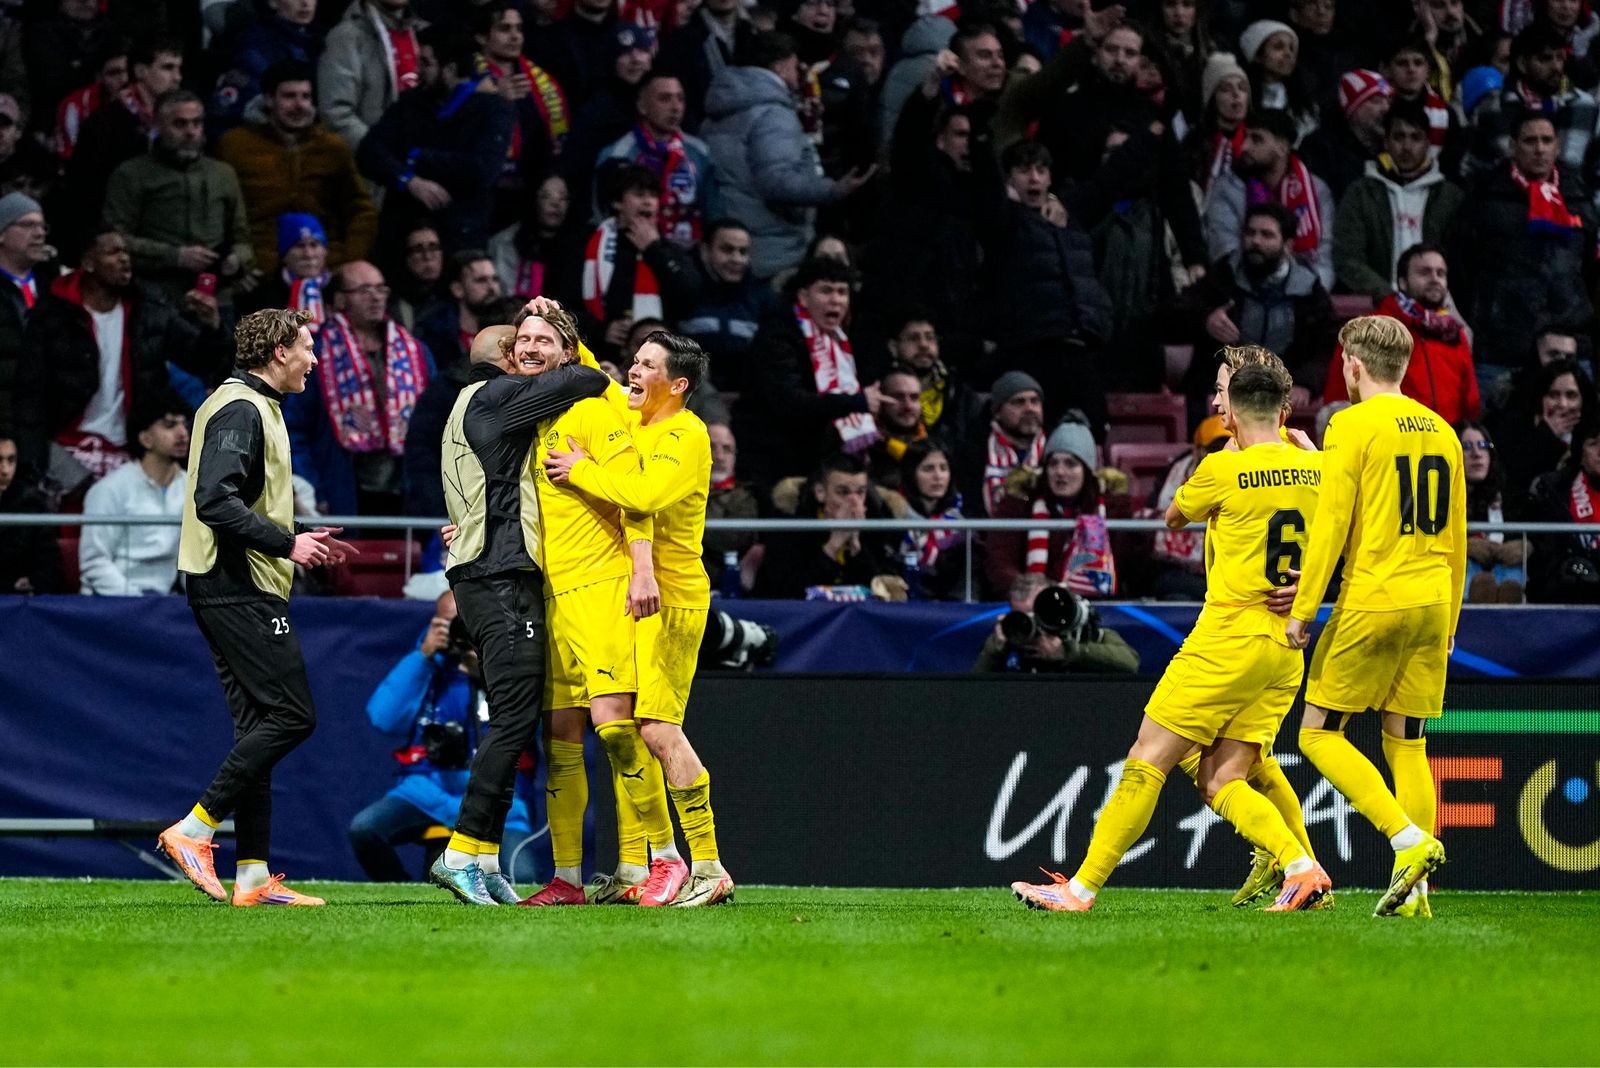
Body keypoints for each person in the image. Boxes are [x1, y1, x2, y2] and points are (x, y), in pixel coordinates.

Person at [1011, 361, 1332, 913]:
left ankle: (1079, 890)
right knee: (1223, 776)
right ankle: (1301, 867)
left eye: (1221, 395)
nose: (1214, 404)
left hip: (1227, 638)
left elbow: (1174, 516)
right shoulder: (1320, 468)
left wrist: (1226, 460)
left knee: (1147, 759)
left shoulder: (1222, 468)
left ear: (1237, 408)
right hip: (1287, 642)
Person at [156, 308, 357, 907]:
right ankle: (194, 829)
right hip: (234, 584)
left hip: (231, 581)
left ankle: (251, 877)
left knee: (258, 728)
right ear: (276, 353)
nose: (314, 359)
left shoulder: (250, 405)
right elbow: (215, 502)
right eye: (307, 347)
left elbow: (235, 500)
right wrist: (286, 543)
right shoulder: (241, 409)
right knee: (292, 717)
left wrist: (298, 537)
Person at [494, 303, 687, 909]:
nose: (530, 348)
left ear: (568, 349)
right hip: (553, 594)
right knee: (561, 739)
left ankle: (662, 861)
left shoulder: (597, 409)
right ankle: (568, 879)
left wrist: (642, 569)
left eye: (543, 340)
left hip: (604, 586)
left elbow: (637, 497)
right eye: (522, 339)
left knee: (618, 729)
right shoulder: (531, 413)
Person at [543, 329, 734, 906]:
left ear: (676, 385)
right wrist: (560, 330)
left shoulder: (686, 433)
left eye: (646, 365)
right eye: (633, 360)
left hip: (675, 595)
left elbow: (645, 494)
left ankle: (707, 866)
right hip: (642, 594)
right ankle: (685, 865)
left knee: (657, 728)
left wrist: (578, 468)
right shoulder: (637, 423)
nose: (632, 370)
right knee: (639, 727)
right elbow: (600, 380)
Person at [425, 321, 608, 905]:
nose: (530, 352)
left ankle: (482, 858)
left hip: (486, 569)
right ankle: (460, 854)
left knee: (514, 714)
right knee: (512, 717)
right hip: (499, 574)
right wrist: (562, 340)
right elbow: (589, 377)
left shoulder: (465, 405)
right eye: (522, 344)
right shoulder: (498, 396)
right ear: (506, 356)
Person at [1286, 315, 1462, 919]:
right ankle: (1416, 897)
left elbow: (1333, 522)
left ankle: (1408, 842)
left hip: (1375, 596)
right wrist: (1453, 624)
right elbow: (1459, 539)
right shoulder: (1444, 430)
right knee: (1406, 741)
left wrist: (1303, 610)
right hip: (1433, 601)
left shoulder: (1349, 424)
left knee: (1317, 732)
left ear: (1353, 366)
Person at [14, 227, 229, 491]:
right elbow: (30, 397)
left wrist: (212, 327)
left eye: (126, 252)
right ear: (89, 263)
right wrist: (35, 460)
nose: (124, 258)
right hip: (67, 447)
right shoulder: (53, 315)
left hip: (134, 446)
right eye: (113, 252)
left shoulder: (149, 308)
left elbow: (202, 360)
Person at [352, 590, 543, 883]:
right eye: (450, 623)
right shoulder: (428, 665)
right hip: (427, 789)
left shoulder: (505, 658)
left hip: (495, 797)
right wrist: (423, 658)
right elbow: (383, 718)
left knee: (525, 877)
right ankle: (403, 890)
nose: (459, 631)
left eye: (467, 621)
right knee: (364, 829)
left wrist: (487, 667)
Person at [700, 32, 874, 282]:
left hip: (729, 241)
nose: (800, 71)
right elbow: (776, 180)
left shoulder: (722, 108)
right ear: (779, 67)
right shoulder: (772, 114)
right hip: (772, 250)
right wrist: (833, 190)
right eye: (794, 65)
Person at [284, 260, 436, 517]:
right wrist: (314, 491)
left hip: (406, 490)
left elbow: (435, 423)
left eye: (381, 289)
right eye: (365, 290)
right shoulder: (315, 354)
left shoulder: (414, 352)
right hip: (341, 489)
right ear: (341, 300)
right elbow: (294, 430)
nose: (376, 297)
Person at [1452, 112, 1595, 377]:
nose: (1539, 149)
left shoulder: (1579, 196)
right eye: (1530, 141)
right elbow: (1461, 270)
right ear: (1512, 146)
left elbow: (1590, 270)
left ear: (1558, 146)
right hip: (1501, 352)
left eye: (1546, 140)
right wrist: (1489, 319)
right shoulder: (1484, 196)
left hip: (1571, 345)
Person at [356, 28, 514, 256]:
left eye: (426, 64)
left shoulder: (493, 110)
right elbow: (369, 151)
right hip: (404, 233)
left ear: (449, 69)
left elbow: (481, 170)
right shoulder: (412, 102)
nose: (417, 71)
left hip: (460, 237)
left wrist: (416, 158)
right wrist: (409, 181)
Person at [216, 60, 378, 278]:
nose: (300, 105)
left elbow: (361, 209)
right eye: (289, 96)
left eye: (305, 96)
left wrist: (346, 258)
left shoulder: (332, 147)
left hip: (324, 268)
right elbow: (219, 213)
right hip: (258, 272)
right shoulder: (235, 146)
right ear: (268, 99)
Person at [733, 255, 882, 491]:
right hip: (772, 462)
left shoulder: (842, 342)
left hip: (813, 460)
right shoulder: (778, 337)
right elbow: (789, 402)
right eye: (826, 291)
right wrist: (856, 402)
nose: (836, 300)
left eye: (842, 292)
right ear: (803, 297)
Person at [101, 88, 255, 308]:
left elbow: (243, 237)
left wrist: (236, 260)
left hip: (215, 296)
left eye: (196, 123)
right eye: (180, 124)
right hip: (157, 296)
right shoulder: (132, 174)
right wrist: (176, 256)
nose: (191, 132)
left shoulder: (223, 174)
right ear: (158, 126)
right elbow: (115, 238)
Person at [1186, 201, 1336, 411]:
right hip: (1221, 398)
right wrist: (1206, 318)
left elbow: (1325, 348)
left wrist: (1306, 384)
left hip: (1282, 399)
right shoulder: (1223, 276)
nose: (1255, 241)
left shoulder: (1309, 290)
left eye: (1267, 235)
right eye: (1250, 233)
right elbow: (1173, 314)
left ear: (1288, 245)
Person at [1322, 247, 1479, 426]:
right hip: (1389, 444)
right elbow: (1341, 396)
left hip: (1444, 445)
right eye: (1424, 273)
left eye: (1441, 273)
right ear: (1403, 282)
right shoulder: (1369, 330)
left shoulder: (1454, 334)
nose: (1435, 279)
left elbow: (1470, 403)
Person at [1332, 102, 1466, 300]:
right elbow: (1347, 258)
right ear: (1385, 142)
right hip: (1379, 309)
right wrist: (1389, 297)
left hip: (1438, 307)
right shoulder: (1361, 193)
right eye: (1398, 137)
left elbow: (1460, 260)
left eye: (1415, 138)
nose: (1407, 147)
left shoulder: (1450, 197)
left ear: (1428, 143)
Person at [575, 161, 700, 361]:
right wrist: (601, 329)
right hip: (598, 354)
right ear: (617, 202)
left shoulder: (669, 250)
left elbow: (690, 295)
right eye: (639, 194)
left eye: (653, 196)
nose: (648, 202)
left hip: (660, 359)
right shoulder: (588, 246)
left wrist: (653, 250)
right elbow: (564, 303)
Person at [985, 412, 1115, 601]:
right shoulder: (1019, 504)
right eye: (1053, 464)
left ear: (1087, 471)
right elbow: (999, 562)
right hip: (1032, 606)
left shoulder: (1109, 508)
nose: (1060, 472)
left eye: (1070, 464)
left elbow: (1128, 566)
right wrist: (1029, 591)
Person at [1203, 108, 1336, 290]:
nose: (1244, 147)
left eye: (1256, 139)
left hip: (1303, 296)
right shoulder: (1227, 190)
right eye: (1245, 137)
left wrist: (1308, 293)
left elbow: (1325, 258)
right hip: (1245, 295)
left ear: (1282, 148)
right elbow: (1226, 255)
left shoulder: (1317, 191)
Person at [78, 391, 188, 596]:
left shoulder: (192, 487)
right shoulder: (109, 490)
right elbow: (95, 563)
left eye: (184, 424)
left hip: (167, 602)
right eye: (170, 425)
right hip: (114, 603)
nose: (183, 433)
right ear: (145, 438)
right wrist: (138, 601)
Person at [592, 71, 717, 247]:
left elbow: (714, 215)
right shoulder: (618, 156)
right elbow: (603, 217)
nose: (676, 107)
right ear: (642, 106)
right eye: (665, 99)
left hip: (690, 258)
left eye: (680, 99)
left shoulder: (700, 153)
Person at [756, 450, 903, 598]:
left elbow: (885, 594)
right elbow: (790, 593)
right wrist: (834, 544)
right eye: (843, 492)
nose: (854, 502)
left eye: (860, 492)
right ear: (820, 492)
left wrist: (856, 547)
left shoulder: (878, 525)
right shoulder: (791, 525)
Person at [317, 0, 427, 153]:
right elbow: (336, 115)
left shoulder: (426, 34)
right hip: (373, 168)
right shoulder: (346, 37)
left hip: (426, 164)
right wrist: (382, 158)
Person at [973, 573, 1139, 673]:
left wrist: (1067, 651)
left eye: (1036, 612)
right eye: (1024, 615)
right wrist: (995, 650)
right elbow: (973, 690)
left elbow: (1130, 662)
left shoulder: (1082, 633)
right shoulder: (1010, 639)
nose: (1033, 622)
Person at [1493, 357, 1595, 505]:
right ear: (1541, 397)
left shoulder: (1593, 432)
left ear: (1584, 399)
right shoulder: (1514, 428)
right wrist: (1547, 436)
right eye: (1553, 395)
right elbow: (1513, 479)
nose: (1563, 404)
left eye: (1571, 395)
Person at [1525, 414, 1600, 603]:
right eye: (1593, 443)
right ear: (1580, 453)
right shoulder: (1553, 491)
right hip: (1566, 597)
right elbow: (1545, 562)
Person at [1297, 68, 1392, 201]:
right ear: (1352, 108)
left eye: (1389, 101)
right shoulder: (1321, 148)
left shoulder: (1392, 148)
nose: (1386, 108)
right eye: (1376, 101)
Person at [1456, 420, 1525, 603]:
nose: (1477, 454)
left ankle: (1509, 606)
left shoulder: (1510, 494)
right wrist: (1464, 545)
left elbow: (1541, 538)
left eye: (1483, 446)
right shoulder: (1438, 496)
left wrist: (1526, 545)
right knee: (1467, 567)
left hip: (1502, 569)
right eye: (1466, 447)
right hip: (1461, 575)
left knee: (1511, 572)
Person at [0, 192, 52, 429]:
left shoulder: (56, 285)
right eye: (28, 225)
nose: (40, 234)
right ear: (2, 233)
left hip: (46, 418)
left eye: (42, 226)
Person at [898, 439, 968, 601]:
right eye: (928, 469)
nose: (938, 476)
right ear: (911, 473)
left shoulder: (962, 522)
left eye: (943, 468)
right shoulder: (893, 515)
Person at [413, 250, 503, 376]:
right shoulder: (436, 337)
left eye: (495, 279)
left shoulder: (511, 329)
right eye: (481, 280)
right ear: (457, 289)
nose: (492, 287)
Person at [237, 213, 332, 323]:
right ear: (284, 256)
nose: (308, 254)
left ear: (325, 251)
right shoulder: (260, 297)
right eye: (300, 246)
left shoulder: (341, 290)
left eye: (314, 245)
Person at [0, 428, 62, 593]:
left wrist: (33, 582)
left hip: (17, 603)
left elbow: (49, 568)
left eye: (11, 460)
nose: (5, 470)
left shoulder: (32, 505)